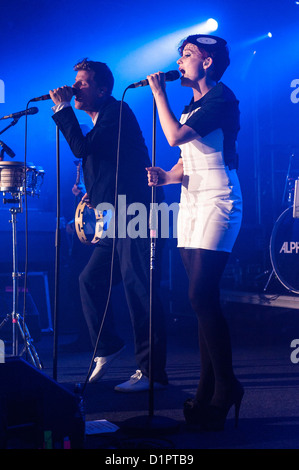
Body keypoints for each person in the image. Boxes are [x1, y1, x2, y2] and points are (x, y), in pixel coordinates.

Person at [49, 58, 168, 392]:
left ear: (103, 89)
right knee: (90, 280)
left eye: (83, 83)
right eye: (75, 81)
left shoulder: (117, 112)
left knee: (139, 289)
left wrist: (61, 109)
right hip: (117, 219)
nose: (75, 89)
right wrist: (91, 196)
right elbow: (105, 163)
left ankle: (153, 373)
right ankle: (108, 346)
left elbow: (82, 147)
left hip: (137, 214)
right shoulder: (102, 119)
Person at [146, 34, 243, 430]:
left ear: (207, 63)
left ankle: (227, 386)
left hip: (219, 199)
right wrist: (168, 176)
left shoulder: (222, 98)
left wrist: (157, 94)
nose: (179, 61)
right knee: (201, 301)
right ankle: (207, 390)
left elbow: (174, 136)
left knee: (200, 295)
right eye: (181, 54)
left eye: (187, 55)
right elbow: (186, 155)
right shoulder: (195, 103)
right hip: (190, 199)